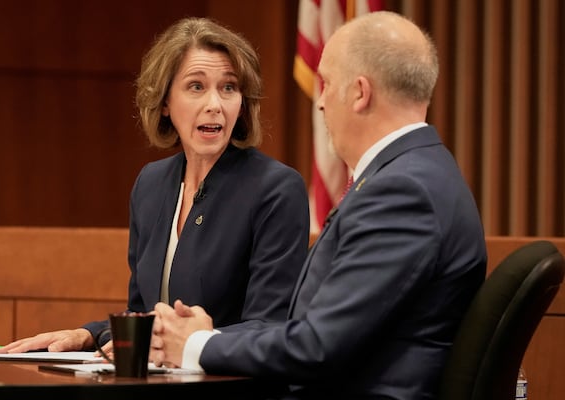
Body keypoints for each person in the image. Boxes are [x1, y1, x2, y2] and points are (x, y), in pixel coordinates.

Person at [149, 11, 487, 400]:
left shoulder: (402, 193)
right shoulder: (416, 174)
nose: (321, 103)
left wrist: (196, 346)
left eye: (326, 83)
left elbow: (317, 347)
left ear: (360, 93)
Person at [0, 17, 310, 354]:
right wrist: (90, 335)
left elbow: (271, 328)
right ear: (164, 102)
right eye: (196, 86)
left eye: (229, 87)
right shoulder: (152, 184)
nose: (215, 105)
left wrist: (192, 344)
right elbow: (144, 313)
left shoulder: (276, 189)